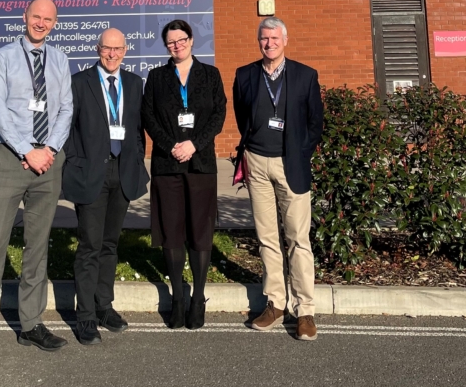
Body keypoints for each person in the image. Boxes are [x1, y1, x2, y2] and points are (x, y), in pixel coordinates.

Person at [0, 0, 73, 374]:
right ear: (23, 17)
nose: (41, 23)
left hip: (48, 162)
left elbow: (65, 109)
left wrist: (49, 149)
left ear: (55, 23)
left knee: (37, 247)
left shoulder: (60, 60)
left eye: (48, 19)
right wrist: (28, 150)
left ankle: (30, 324)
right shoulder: (3, 58)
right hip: (10, 159)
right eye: (36, 17)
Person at [232, 17, 323, 342]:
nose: (269, 43)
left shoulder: (305, 75)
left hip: (291, 165)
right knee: (267, 237)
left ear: (285, 40)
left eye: (274, 38)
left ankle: (305, 310)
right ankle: (275, 303)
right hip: (257, 162)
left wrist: (300, 153)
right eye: (263, 38)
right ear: (259, 41)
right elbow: (243, 116)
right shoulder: (245, 75)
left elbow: (315, 123)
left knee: (298, 239)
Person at [62, 27, 149, 345]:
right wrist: (75, 160)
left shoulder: (134, 83)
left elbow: (139, 129)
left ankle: (104, 307)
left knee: (110, 245)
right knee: (89, 247)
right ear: (97, 49)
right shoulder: (79, 82)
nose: (112, 54)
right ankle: (84, 317)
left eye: (118, 49)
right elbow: (67, 127)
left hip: (122, 172)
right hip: (90, 174)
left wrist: (137, 158)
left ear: (125, 50)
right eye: (106, 49)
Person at [141, 19, 226, 330]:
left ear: (192, 41)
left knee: (200, 232)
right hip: (168, 164)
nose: (176, 46)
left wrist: (194, 144)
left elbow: (218, 115)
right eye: (170, 42)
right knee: (171, 231)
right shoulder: (157, 77)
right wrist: (171, 145)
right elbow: (148, 115)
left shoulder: (210, 75)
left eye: (181, 40)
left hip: (201, 163)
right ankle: (177, 297)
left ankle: (198, 297)